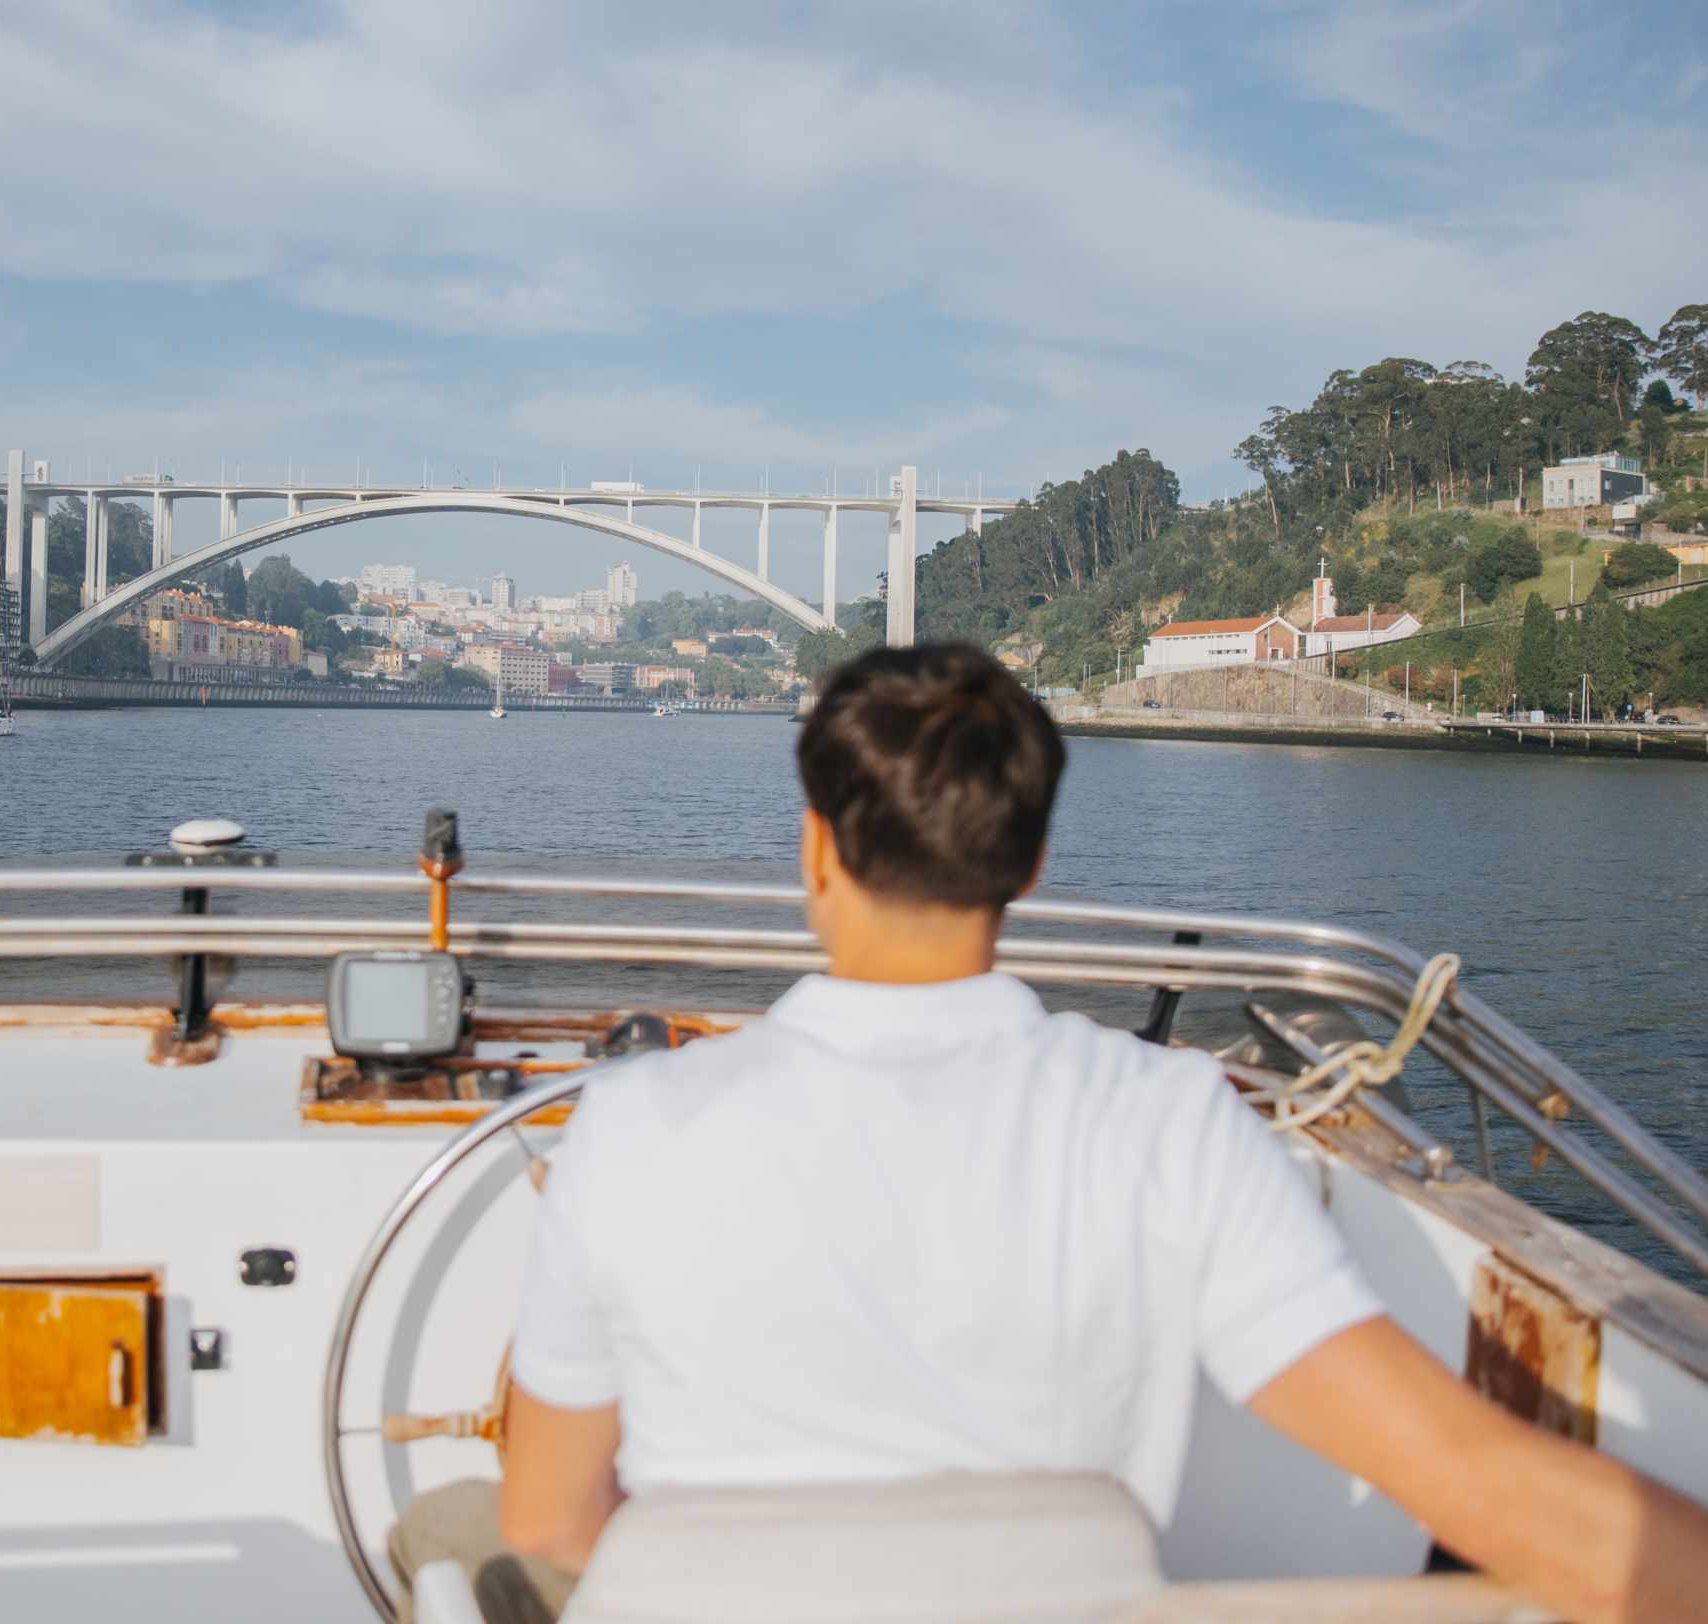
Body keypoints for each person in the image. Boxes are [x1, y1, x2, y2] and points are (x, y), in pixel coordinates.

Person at [391, 642, 1708, 1622]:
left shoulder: (630, 1130)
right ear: (1025, 866)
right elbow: (1474, 1480)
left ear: (813, 852)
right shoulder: (1171, 1125)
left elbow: (553, 1516)